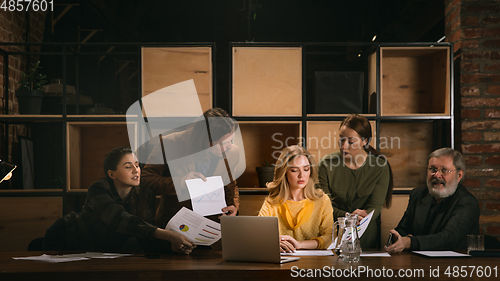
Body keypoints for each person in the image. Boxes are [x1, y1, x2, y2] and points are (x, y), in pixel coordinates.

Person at [43, 147, 195, 254]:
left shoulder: (144, 194)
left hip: (101, 250)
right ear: (112, 174)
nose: (136, 170)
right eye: (128, 167)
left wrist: (171, 247)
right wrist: (167, 235)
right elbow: (120, 220)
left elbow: (145, 233)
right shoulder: (98, 189)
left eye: (137, 165)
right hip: (65, 238)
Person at [141, 108, 240, 228]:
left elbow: (230, 185)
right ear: (205, 141)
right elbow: (146, 179)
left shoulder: (232, 152)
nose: (230, 147)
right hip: (174, 226)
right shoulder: (169, 144)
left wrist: (233, 206)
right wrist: (180, 182)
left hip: (213, 226)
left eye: (231, 140)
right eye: (223, 143)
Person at [317, 114, 393, 249]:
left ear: (365, 141)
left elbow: (374, 207)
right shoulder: (326, 164)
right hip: (333, 233)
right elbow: (323, 206)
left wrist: (356, 221)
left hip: (365, 234)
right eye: (341, 139)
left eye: (351, 142)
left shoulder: (380, 167)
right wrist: (347, 217)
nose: (344, 146)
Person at [386, 148, 480, 253]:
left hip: (453, 266)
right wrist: (398, 238)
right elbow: (402, 229)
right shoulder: (418, 195)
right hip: (417, 263)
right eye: (432, 169)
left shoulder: (467, 202)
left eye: (444, 170)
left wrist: (410, 242)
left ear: (459, 175)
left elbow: (448, 238)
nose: (437, 175)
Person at [258, 145, 333, 252]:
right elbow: (258, 235)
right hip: (281, 264)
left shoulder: (322, 200)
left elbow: (330, 238)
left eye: (306, 169)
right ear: (284, 173)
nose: (301, 175)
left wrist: (299, 244)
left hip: (315, 264)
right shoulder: (271, 202)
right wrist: (271, 242)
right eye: (294, 170)